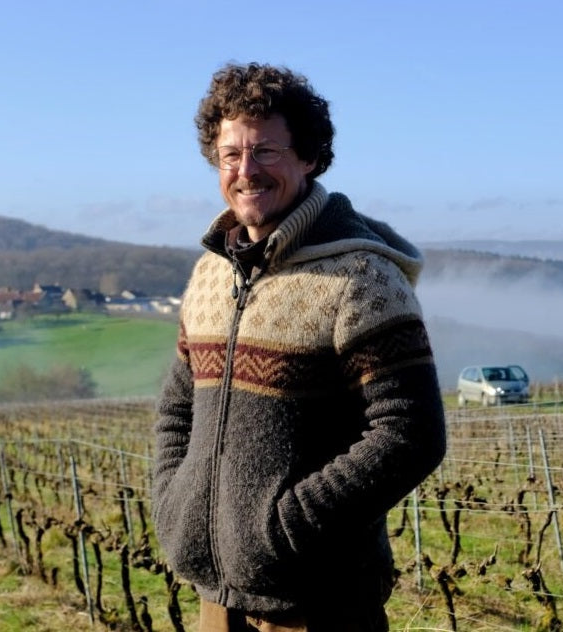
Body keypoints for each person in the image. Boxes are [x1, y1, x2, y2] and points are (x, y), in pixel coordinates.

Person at [151, 62, 447, 632]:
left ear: (309, 157)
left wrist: (285, 527)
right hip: (217, 602)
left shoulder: (363, 278)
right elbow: (177, 410)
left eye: (265, 152)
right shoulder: (212, 276)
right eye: (229, 154)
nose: (245, 171)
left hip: (322, 603)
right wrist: (174, 507)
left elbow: (411, 432)